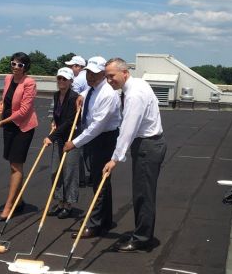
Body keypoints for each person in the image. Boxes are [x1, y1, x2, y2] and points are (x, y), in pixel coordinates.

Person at [102, 57, 167, 252]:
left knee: (143, 194)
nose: (109, 80)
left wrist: (115, 158)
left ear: (125, 73)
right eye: (106, 77)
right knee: (142, 192)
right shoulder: (138, 84)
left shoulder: (134, 95)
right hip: (151, 143)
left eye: (111, 76)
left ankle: (142, 238)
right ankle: (142, 232)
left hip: (147, 145)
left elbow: (128, 129)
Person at [64, 56, 121, 238]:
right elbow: (88, 98)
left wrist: (75, 142)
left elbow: (98, 126)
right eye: (88, 72)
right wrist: (82, 96)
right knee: (101, 180)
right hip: (94, 137)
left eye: (95, 73)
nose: (90, 76)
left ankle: (96, 224)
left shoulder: (108, 94)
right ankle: (105, 220)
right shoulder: (92, 88)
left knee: (99, 181)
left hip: (104, 138)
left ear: (103, 73)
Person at [0, 52, 38, 221]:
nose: (16, 67)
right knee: (12, 165)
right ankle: (18, 201)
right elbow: (7, 99)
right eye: (13, 64)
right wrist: (0, 104)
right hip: (9, 126)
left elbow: (24, 111)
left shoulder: (29, 83)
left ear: (26, 68)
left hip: (23, 127)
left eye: (20, 65)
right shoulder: (7, 79)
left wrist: (2, 122)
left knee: (16, 166)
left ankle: (9, 205)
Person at [43, 67, 80, 219]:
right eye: (59, 78)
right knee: (55, 171)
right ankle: (59, 202)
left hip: (71, 138)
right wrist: (53, 122)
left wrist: (51, 137)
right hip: (59, 136)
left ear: (71, 81)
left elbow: (69, 121)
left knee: (69, 172)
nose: (61, 81)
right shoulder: (56, 95)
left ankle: (68, 205)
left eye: (64, 79)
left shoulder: (74, 97)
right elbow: (57, 117)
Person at [65, 55, 90, 187]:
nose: (70, 68)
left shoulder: (78, 80)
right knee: (87, 147)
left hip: (78, 118)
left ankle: (80, 178)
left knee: (77, 146)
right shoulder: (88, 78)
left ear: (78, 67)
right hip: (88, 116)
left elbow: (72, 99)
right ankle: (91, 175)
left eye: (72, 66)